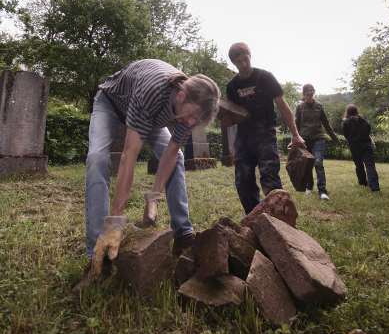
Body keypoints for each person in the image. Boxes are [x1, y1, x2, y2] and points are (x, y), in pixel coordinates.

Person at [75, 58, 220, 290]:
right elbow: (129, 155)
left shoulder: (190, 111)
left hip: (150, 116)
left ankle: (183, 235)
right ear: (181, 95)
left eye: (197, 120)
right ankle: (97, 253)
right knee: (97, 159)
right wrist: (115, 222)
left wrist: (154, 195)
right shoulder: (153, 90)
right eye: (192, 117)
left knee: (179, 157)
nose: (191, 123)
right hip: (111, 104)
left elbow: (171, 153)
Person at [226, 42, 305, 215]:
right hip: (243, 137)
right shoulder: (232, 87)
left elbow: (283, 106)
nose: (243, 64)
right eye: (238, 61)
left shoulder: (265, 77)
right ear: (234, 63)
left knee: (270, 178)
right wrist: (231, 145)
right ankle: (256, 218)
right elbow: (231, 117)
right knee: (243, 181)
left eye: (245, 58)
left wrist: (295, 134)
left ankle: (280, 219)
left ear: (250, 55)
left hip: (265, 134)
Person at [295, 83, 339, 200]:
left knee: (318, 162)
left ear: (313, 92)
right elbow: (296, 125)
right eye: (307, 92)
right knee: (308, 164)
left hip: (318, 138)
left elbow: (326, 123)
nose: (309, 94)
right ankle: (309, 186)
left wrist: (334, 137)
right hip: (305, 140)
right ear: (303, 94)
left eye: (311, 91)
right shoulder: (299, 107)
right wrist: (294, 139)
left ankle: (322, 191)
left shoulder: (319, 106)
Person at [342, 104, 380, 192]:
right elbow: (368, 130)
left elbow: (346, 135)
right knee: (370, 166)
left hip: (355, 147)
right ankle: (375, 187)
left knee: (359, 165)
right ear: (356, 111)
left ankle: (362, 182)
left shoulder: (346, 122)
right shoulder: (364, 121)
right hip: (366, 146)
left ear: (347, 112)